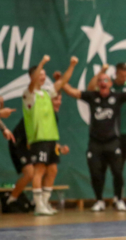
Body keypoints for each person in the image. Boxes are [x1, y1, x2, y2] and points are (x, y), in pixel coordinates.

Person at [63, 68, 126, 212]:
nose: (103, 83)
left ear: (110, 83)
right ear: (97, 84)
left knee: (118, 172)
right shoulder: (92, 96)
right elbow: (72, 92)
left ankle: (118, 199)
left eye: (105, 80)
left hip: (113, 142)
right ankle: (99, 201)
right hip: (95, 143)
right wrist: (61, 81)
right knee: (96, 173)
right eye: (100, 80)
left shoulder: (117, 97)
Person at [6, 72, 70, 213]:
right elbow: (35, 140)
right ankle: (12, 199)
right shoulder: (36, 109)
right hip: (20, 143)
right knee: (32, 173)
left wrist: (59, 148)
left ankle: (42, 203)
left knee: (52, 169)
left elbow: (48, 142)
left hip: (34, 143)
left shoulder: (53, 117)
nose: (59, 102)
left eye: (60, 100)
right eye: (56, 100)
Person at [23, 55, 78, 215]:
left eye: (44, 73)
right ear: (33, 76)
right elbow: (33, 83)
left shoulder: (47, 93)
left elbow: (62, 82)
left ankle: (45, 203)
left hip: (51, 138)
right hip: (38, 139)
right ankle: (38, 205)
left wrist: (72, 65)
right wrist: (42, 62)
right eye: (40, 73)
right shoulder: (29, 94)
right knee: (39, 170)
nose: (43, 76)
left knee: (52, 170)